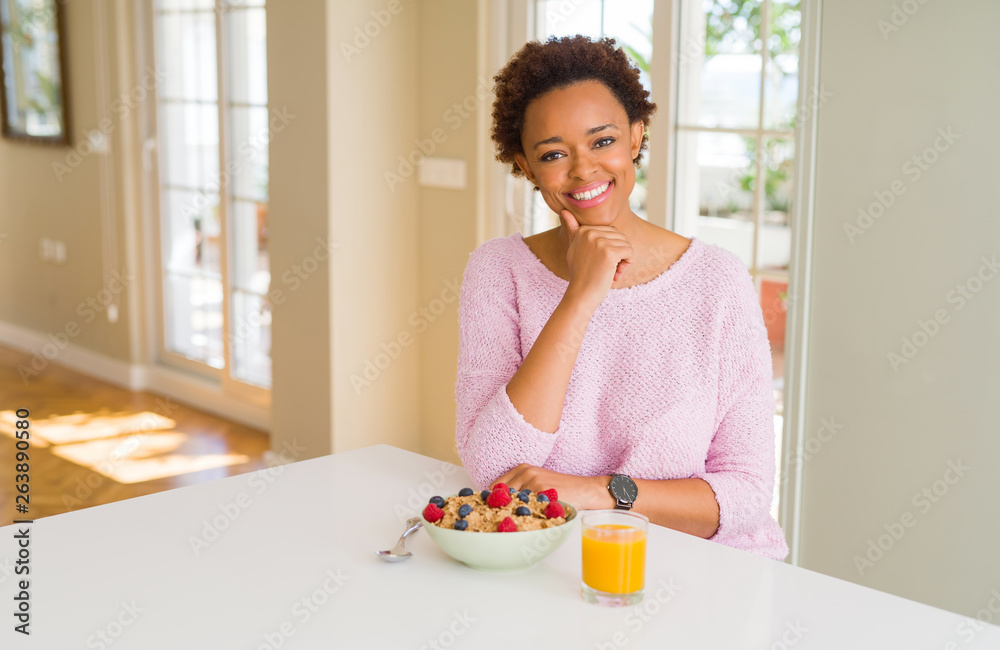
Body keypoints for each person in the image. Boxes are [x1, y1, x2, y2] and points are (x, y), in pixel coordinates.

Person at [455, 35, 788, 560]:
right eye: (554, 154)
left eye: (602, 141)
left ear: (636, 136)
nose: (583, 170)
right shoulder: (498, 271)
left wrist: (599, 492)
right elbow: (495, 467)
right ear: (525, 165)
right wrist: (580, 298)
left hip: (706, 568)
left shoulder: (717, 281)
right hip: (557, 562)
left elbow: (746, 495)